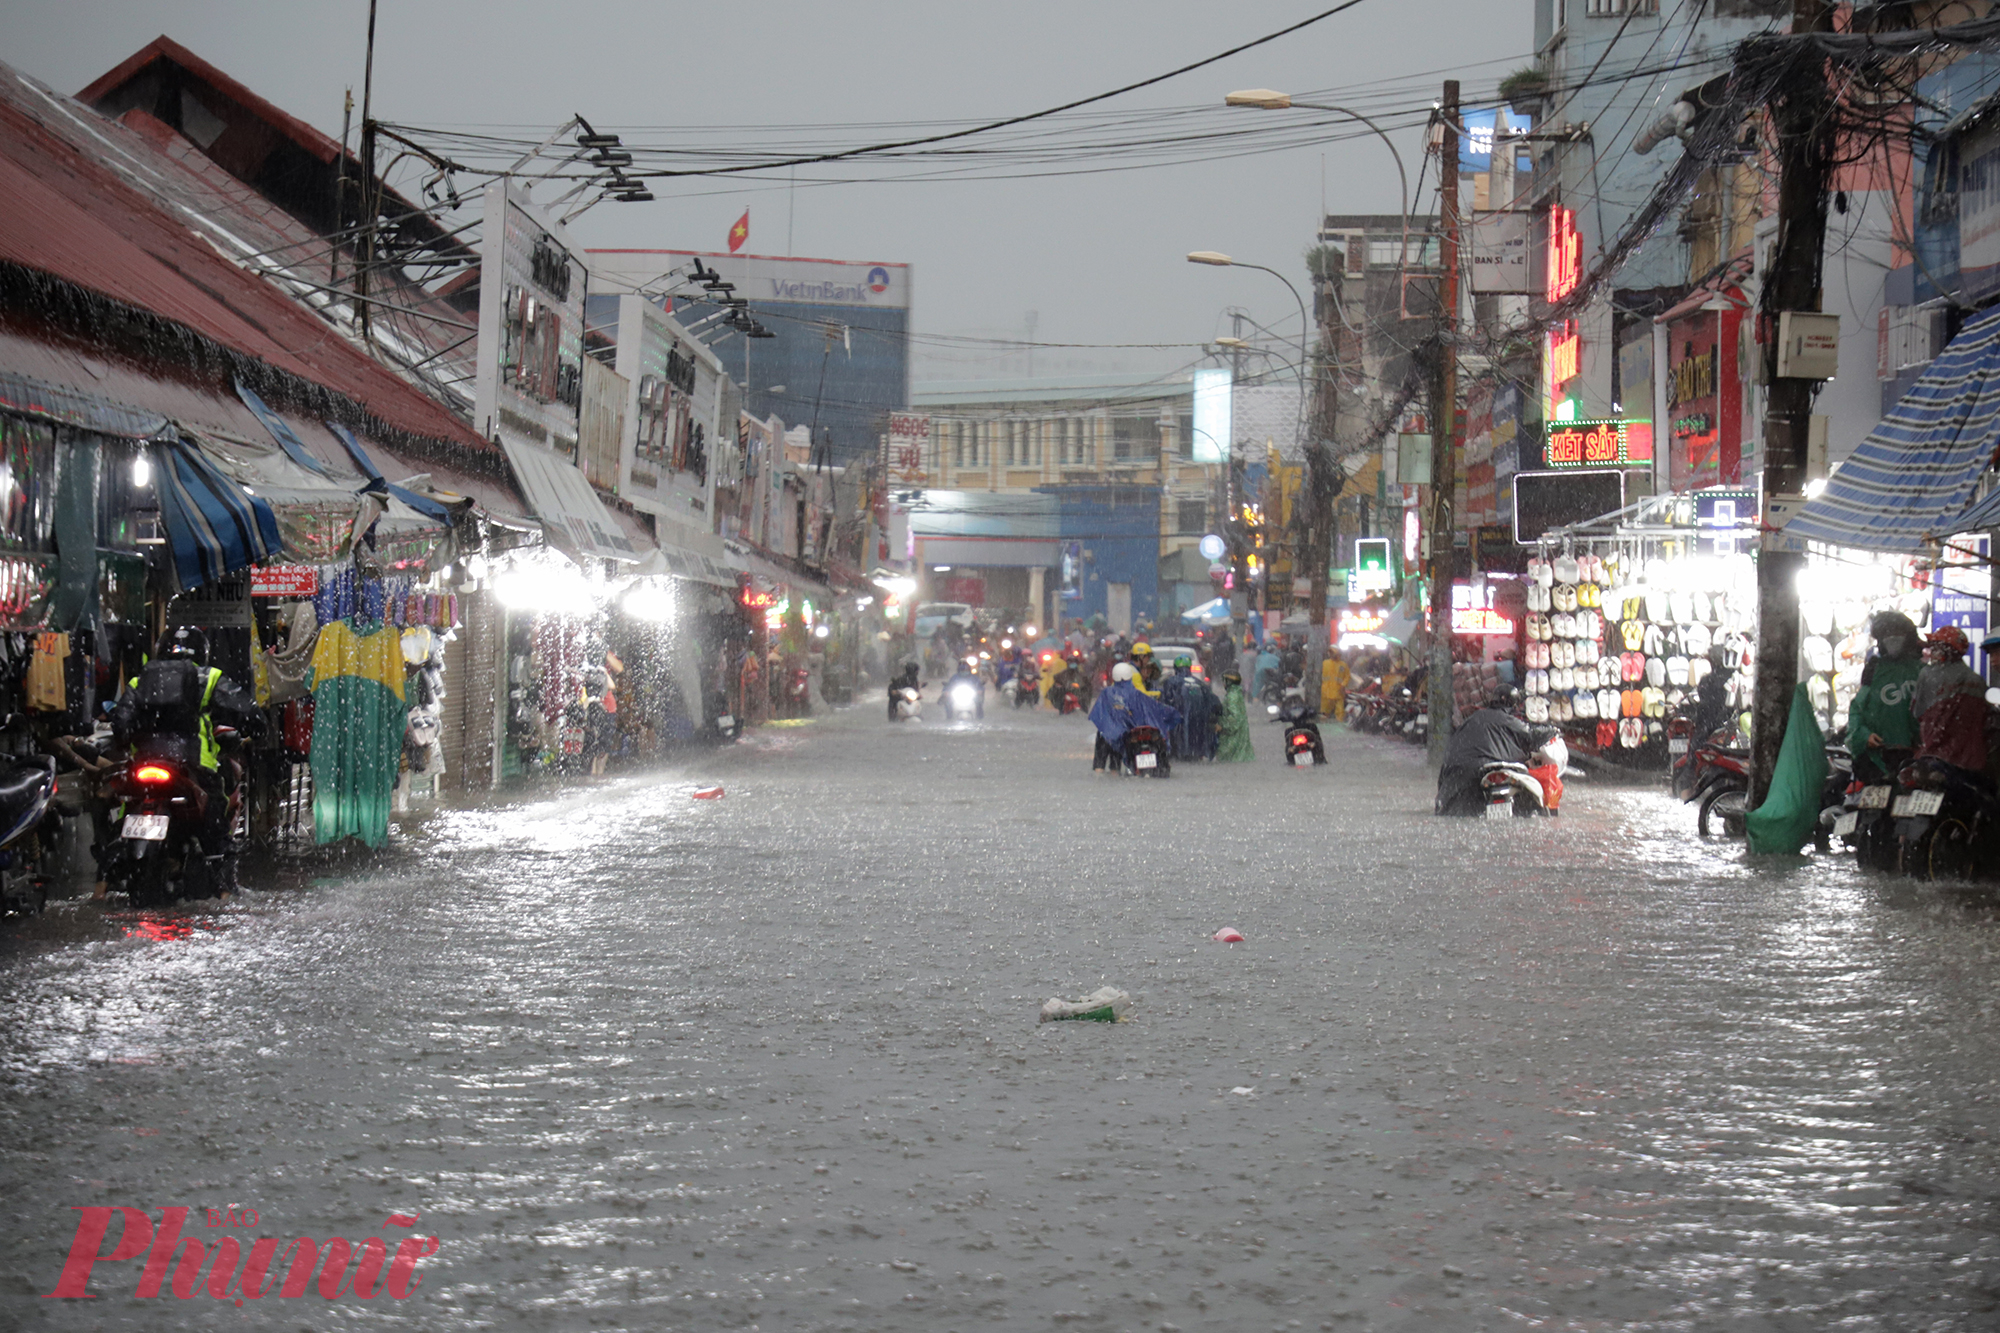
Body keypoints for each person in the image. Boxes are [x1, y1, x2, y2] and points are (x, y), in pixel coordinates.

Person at [112, 628, 263, 859]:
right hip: (192, 763)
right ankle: (222, 883)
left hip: (143, 763)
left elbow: (120, 723)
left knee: (127, 808)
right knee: (215, 817)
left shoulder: (139, 679)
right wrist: (259, 729)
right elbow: (246, 711)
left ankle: (105, 876)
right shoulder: (209, 677)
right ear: (202, 652)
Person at [1435, 687, 1558, 816]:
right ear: (1512, 704)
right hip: (1481, 772)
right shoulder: (1507, 720)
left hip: (1461, 778)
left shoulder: (1472, 720)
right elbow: (1530, 734)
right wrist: (1552, 730)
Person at [1844, 611, 1922, 781]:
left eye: (1897, 633)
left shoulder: (1922, 670)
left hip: (1917, 757)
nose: (1892, 638)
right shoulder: (1873, 669)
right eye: (1887, 634)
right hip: (1879, 757)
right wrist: (1865, 736)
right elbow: (1857, 709)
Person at [1913, 625, 1990, 774]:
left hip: (1934, 753)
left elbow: (1917, 712)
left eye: (1935, 648)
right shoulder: (1977, 681)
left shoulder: (1928, 674)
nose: (1932, 652)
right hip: (1970, 760)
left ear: (1946, 650)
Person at [1088, 662, 1181, 774]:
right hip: (1124, 736)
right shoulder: (1135, 694)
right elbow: (1152, 709)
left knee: (1101, 759)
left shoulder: (1106, 693)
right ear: (1129, 676)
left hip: (1108, 734)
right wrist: (1173, 714)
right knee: (1114, 763)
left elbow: (1100, 714)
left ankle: (1101, 774)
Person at [1215, 668, 1255, 763]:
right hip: (1240, 738)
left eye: (1224, 681)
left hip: (1233, 740)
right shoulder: (1236, 694)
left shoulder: (1232, 697)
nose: (1223, 684)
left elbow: (1234, 718)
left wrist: (1222, 727)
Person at [1320, 648, 1352, 722]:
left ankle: (1339, 726)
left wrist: (1343, 685)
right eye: (1330, 653)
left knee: (1340, 713)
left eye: (1333, 652)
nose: (1332, 654)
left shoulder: (1343, 665)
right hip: (1326, 692)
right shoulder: (1325, 663)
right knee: (1325, 712)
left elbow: (1347, 676)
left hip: (1338, 692)